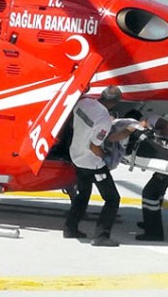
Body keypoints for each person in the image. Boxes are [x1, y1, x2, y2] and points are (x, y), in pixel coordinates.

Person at [64, 85, 135, 247]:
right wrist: (107, 156)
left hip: (76, 156)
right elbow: (96, 146)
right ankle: (101, 236)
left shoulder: (84, 102)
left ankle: (70, 228)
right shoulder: (103, 120)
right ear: (115, 103)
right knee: (112, 199)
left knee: (83, 194)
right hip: (92, 163)